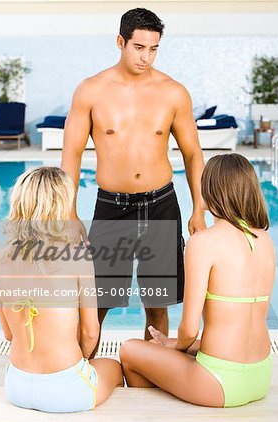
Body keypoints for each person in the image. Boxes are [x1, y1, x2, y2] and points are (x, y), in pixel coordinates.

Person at [61, 8, 205, 346]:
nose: (146, 57)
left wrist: (199, 208)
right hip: (113, 207)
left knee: (157, 302)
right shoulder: (91, 91)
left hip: (161, 204)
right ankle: (84, 370)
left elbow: (193, 153)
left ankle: (153, 378)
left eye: (153, 49)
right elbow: (71, 154)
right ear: (120, 42)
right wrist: (68, 211)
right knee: (98, 302)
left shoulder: (173, 92)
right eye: (139, 47)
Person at [120, 154, 275, 408]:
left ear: (211, 190)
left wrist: (176, 345)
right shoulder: (265, 240)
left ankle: (156, 418)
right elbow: (246, 321)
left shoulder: (203, 243)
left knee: (130, 350)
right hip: (260, 374)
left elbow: (189, 329)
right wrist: (188, 348)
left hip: (219, 381)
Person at [0, 167, 123, 413]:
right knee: (115, 368)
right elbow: (90, 332)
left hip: (16, 385)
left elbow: (9, 334)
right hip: (67, 390)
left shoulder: (0, 258)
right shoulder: (76, 256)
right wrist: (76, 364)